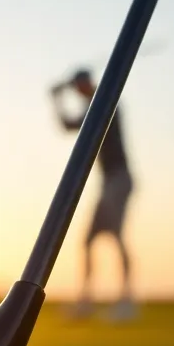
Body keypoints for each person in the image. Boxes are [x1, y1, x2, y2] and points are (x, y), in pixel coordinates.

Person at [50, 67, 137, 321]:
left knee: (116, 236)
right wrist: (57, 99)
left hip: (119, 180)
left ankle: (126, 303)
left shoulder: (106, 102)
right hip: (108, 182)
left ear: (87, 83)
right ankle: (86, 302)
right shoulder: (94, 105)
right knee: (88, 240)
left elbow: (75, 124)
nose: (78, 90)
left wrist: (60, 93)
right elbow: (68, 126)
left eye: (80, 86)